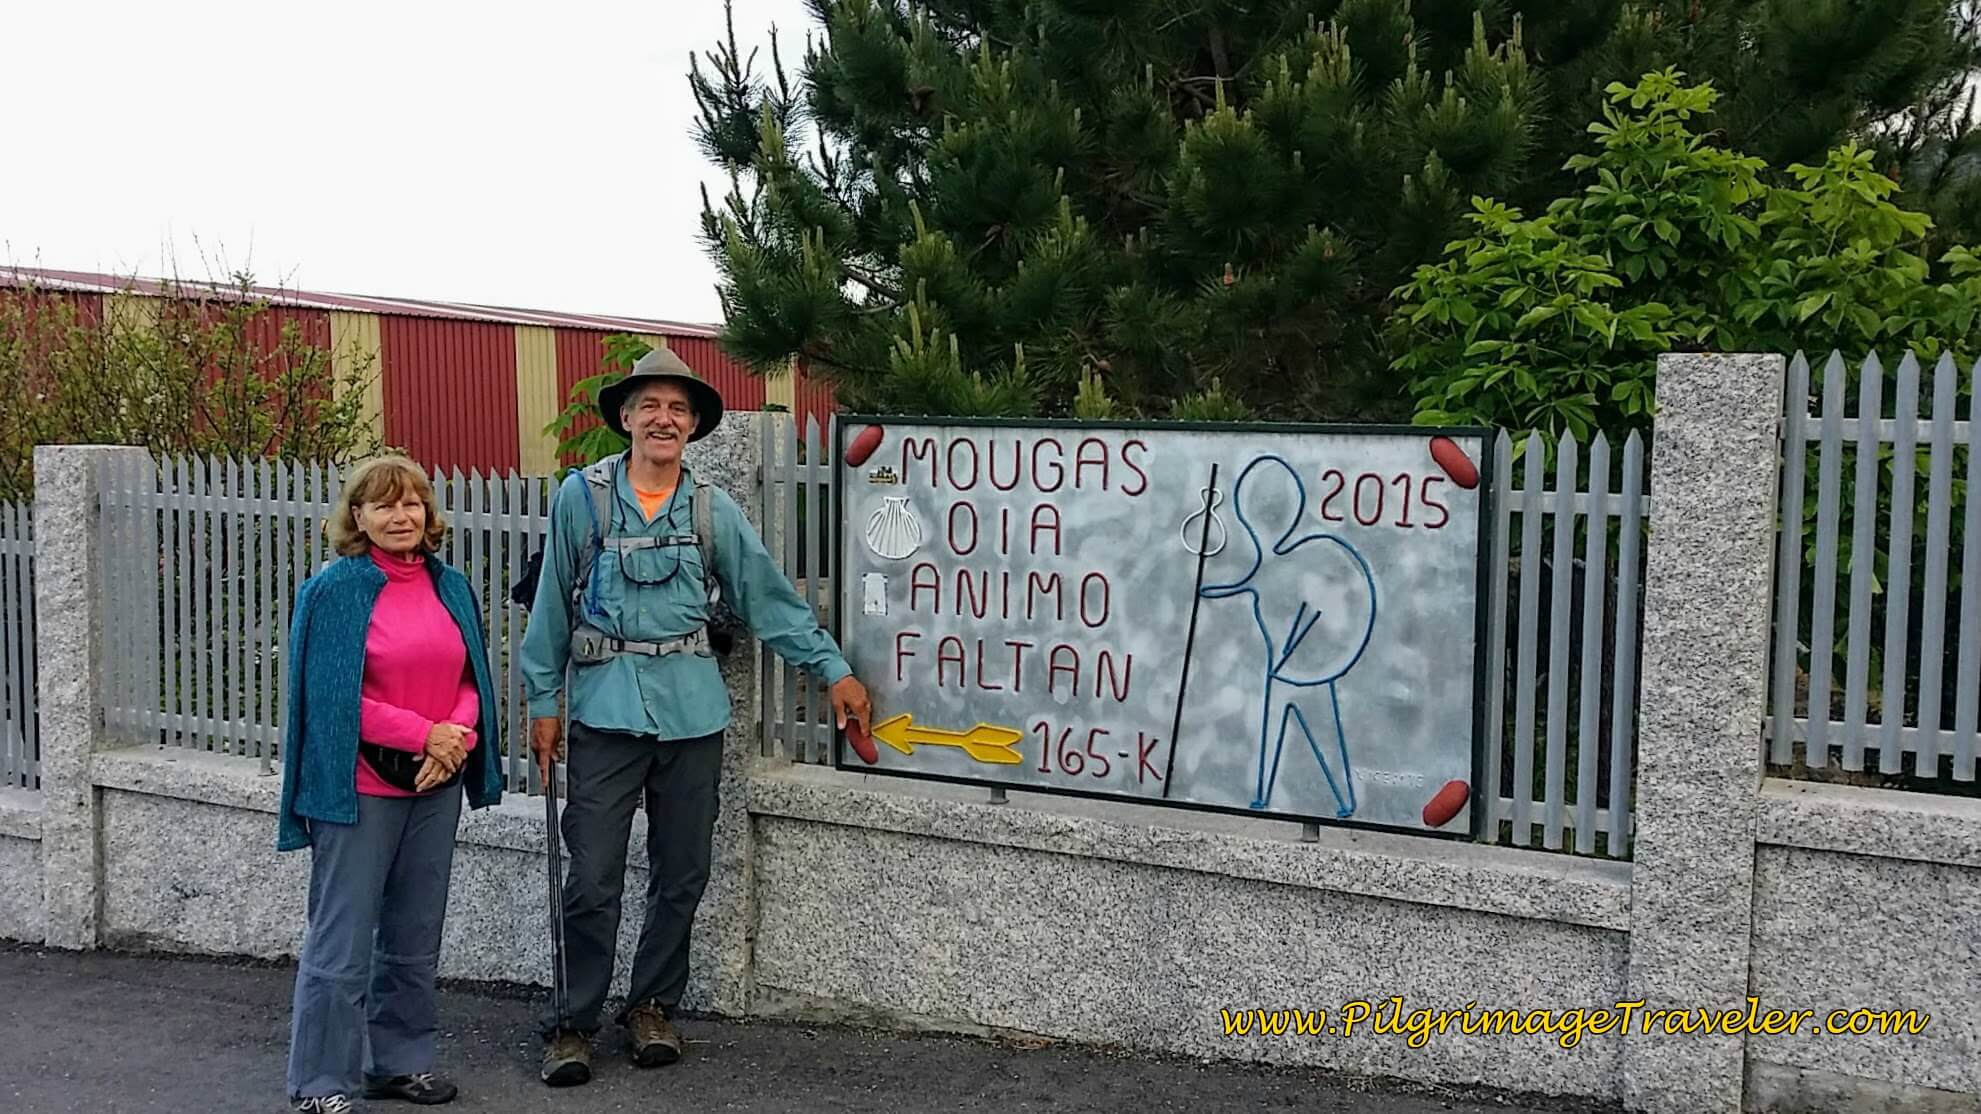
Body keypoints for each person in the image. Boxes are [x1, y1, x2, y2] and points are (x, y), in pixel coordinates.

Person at [519, 346, 871, 1087]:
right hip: (604, 714)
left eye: (677, 409)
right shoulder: (579, 500)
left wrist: (832, 670)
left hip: (691, 715)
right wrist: (542, 702)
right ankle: (573, 1021)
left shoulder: (713, 510)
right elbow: (551, 607)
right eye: (649, 405)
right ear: (624, 417)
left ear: (692, 427)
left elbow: (768, 600)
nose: (663, 418)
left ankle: (650, 1006)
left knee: (682, 872)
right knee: (591, 877)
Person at [276, 455, 505, 1113]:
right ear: (358, 518)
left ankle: (400, 1065)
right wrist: (423, 735)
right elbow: (331, 698)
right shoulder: (334, 591)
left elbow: (472, 680)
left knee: (413, 938)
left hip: (435, 784)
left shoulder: (449, 584)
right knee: (341, 943)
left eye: (410, 504)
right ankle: (321, 1082)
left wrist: (455, 738)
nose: (399, 516)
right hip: (358, 791)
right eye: (382, 505)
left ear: (427, 513)